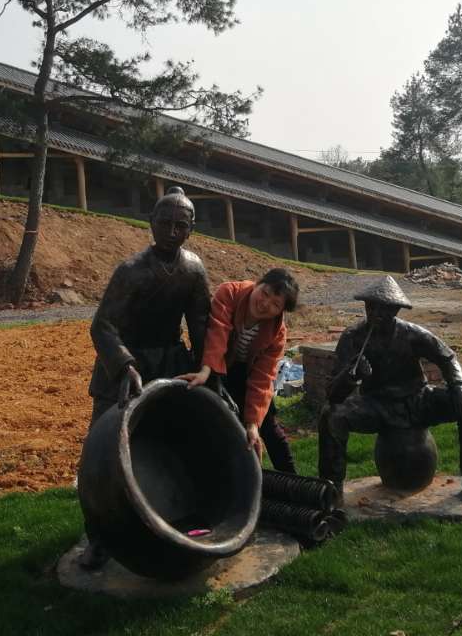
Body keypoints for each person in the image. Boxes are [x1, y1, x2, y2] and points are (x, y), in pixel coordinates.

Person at [79, 185, 211, 568]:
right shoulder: (131, 271)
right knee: (100, 454)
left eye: (180, 225)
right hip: (124, 367)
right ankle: (98, 538)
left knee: (174, 443)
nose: (171, 231)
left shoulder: (193, 269)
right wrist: (125, 365)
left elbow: (200, 323)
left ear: (191, 230)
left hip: (170, 362)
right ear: (151, 223)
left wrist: (208, 370)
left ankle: (174, 517)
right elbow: (103, 326)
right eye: (165, 223)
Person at [318, 275, 462, 503]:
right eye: (371, 307)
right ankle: (332, 490)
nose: (376, 313)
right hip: (377, 404)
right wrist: (350, 376)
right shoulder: (352, 337)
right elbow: (334, 394)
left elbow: (447, 357)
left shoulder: (412, 333)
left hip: (417, 399)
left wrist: (457, 386)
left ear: (395, 310)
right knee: (332, 415)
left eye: (383, 308)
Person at [178, 268, 300, 473]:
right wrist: (206, 371)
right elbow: (218, 331)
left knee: (268, 427)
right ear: (258, 283)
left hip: (247, 372)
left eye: (275, 304)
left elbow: (263, 376)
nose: (265, 304)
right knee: (218, 422)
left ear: (281, 311)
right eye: (265, 293)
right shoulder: (230, 292)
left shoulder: (277, 333)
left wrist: (253, 423)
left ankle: (293, 479)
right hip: (217, 364)